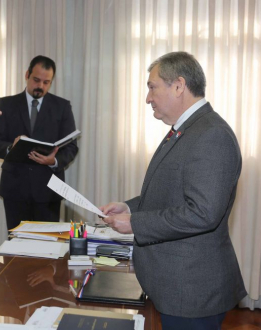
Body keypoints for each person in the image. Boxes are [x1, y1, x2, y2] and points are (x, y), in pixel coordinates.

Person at [99, 51, 246, 330]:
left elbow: (203, 213)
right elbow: (170, 193)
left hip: (190, 291)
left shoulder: (211, 135)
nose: (148, 98)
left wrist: (135, 223)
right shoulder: (187, 129)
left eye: (152, 87)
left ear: (178, 86)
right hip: (176, 285)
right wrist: (130, 207)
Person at [0, 55, 78, 230]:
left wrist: (54, 161)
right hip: (15, 189)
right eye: (36, 80)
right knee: (16, 247)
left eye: (46, 82)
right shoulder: (6, 104)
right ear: (27, 75)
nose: (40, 86)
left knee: (48, 248)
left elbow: (71, 147)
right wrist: (10, 148)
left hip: (49, 190)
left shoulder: (62, 106)